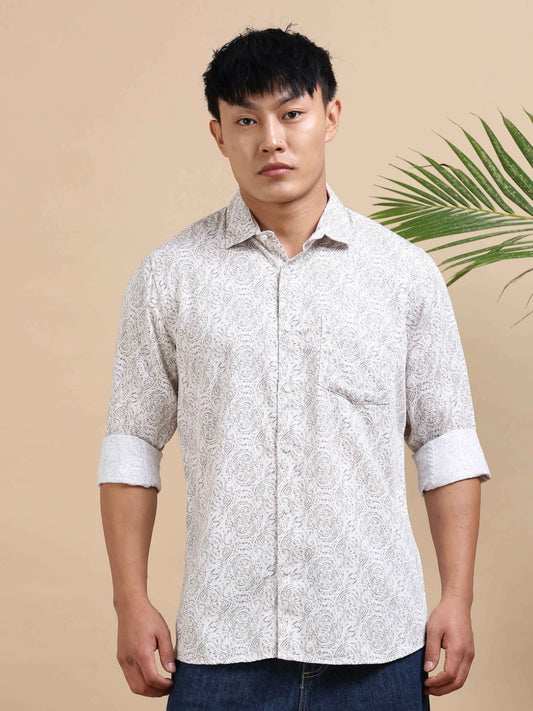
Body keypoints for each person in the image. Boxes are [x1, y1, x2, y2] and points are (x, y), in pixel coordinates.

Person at [97, 24, 492, 710]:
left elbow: (445, 443)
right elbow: (131, 444)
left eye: (291, 114)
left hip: (378, 643)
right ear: (218, 134)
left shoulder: (402, 275)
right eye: (246, 120)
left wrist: (457, 598)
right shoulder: (170, 278)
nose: (271, 140)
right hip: (223, 646)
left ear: (329, 117)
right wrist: (129, 601)